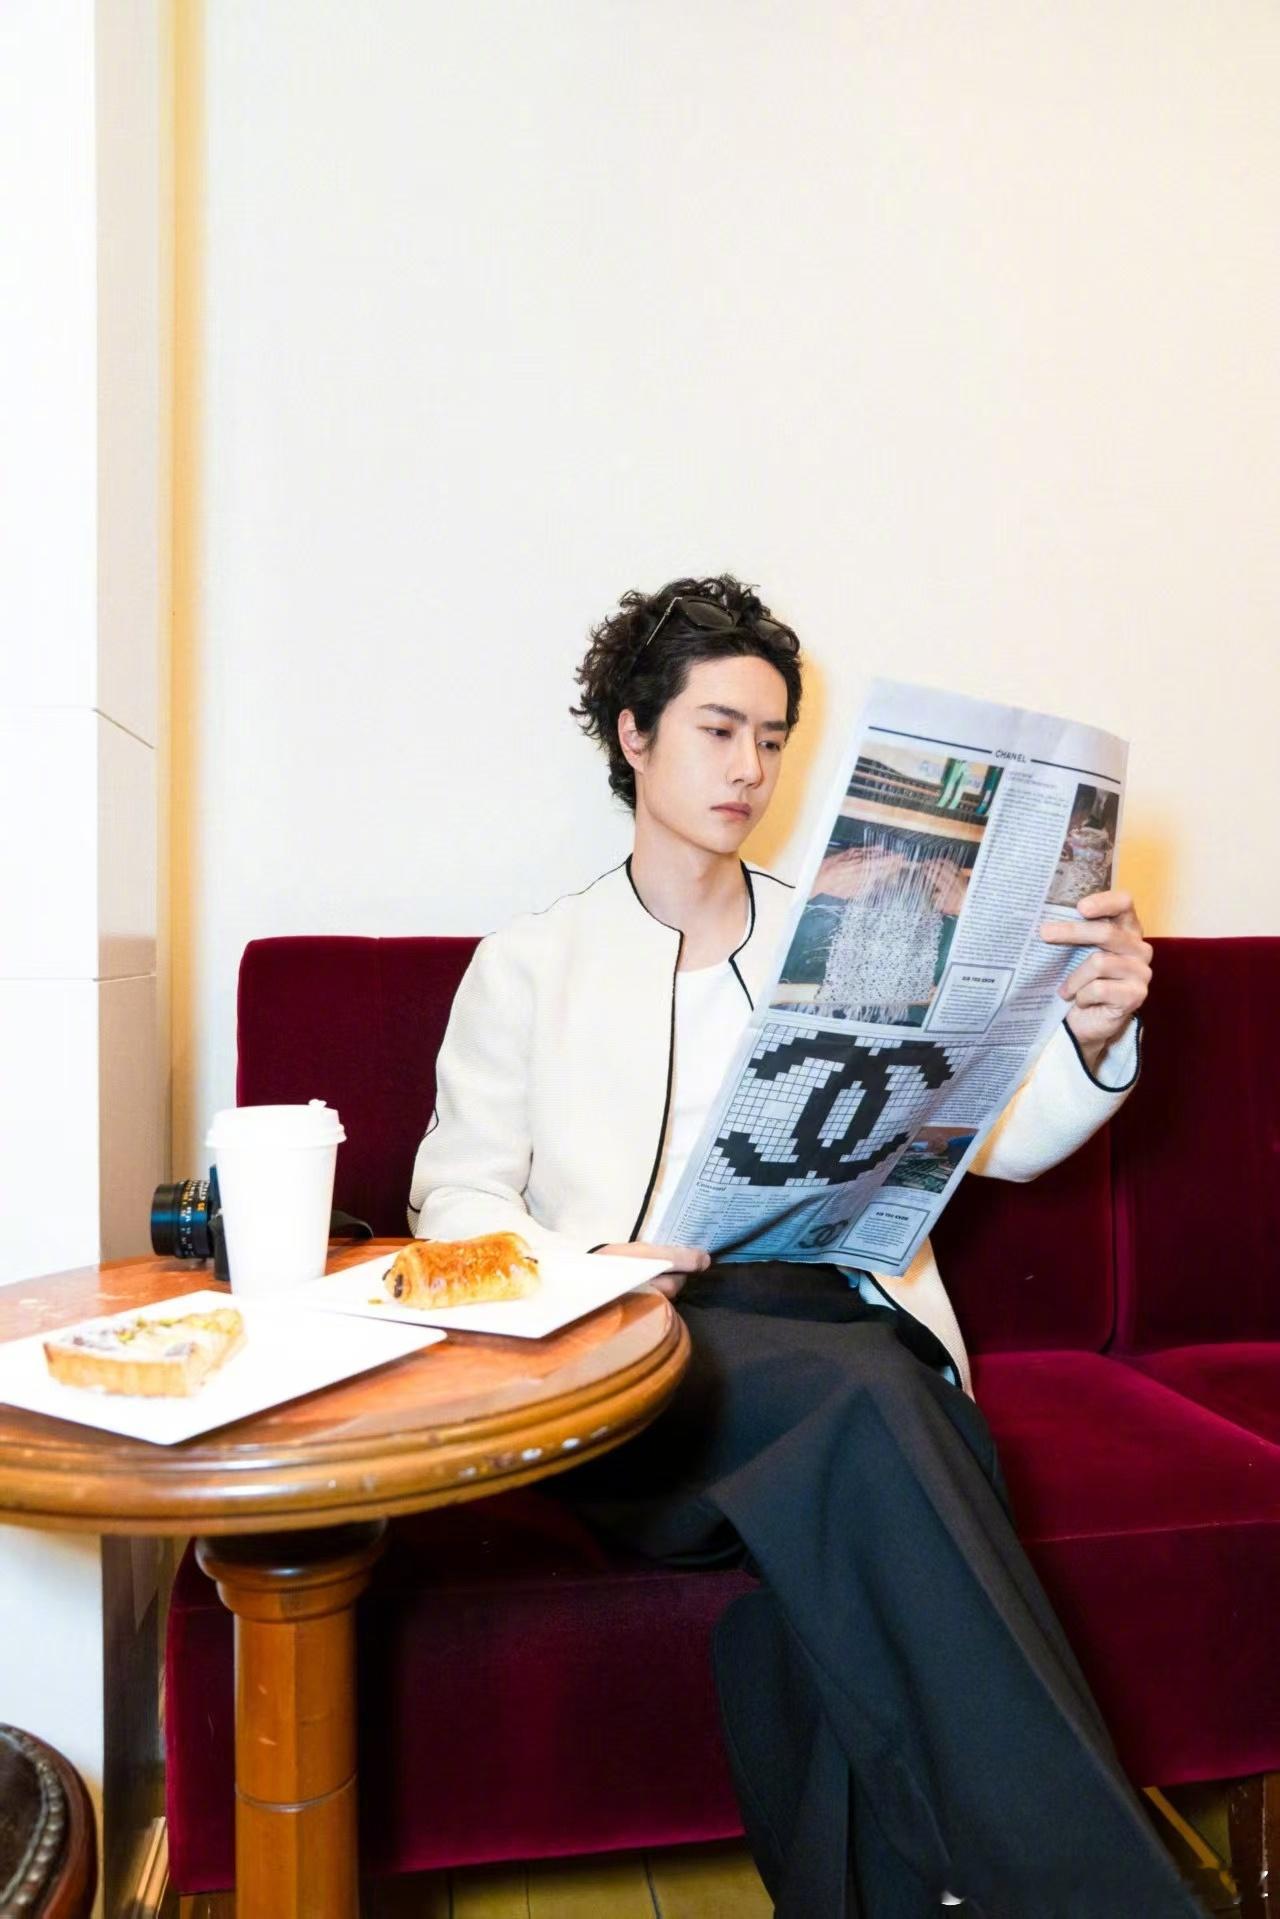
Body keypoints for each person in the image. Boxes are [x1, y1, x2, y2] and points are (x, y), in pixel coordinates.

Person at [408, 575, 1198, 1918]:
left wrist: (1093, 1033)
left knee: (857, 1493)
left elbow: (995, 1140)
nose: (750, 769)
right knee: (885, 1413)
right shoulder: (534, 962)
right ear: (633, 736)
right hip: (644, 1365)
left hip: (841, 1324)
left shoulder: (838, 931)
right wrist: (596, 1269)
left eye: (772, 739)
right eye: (718, 730)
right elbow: (454, 1206)